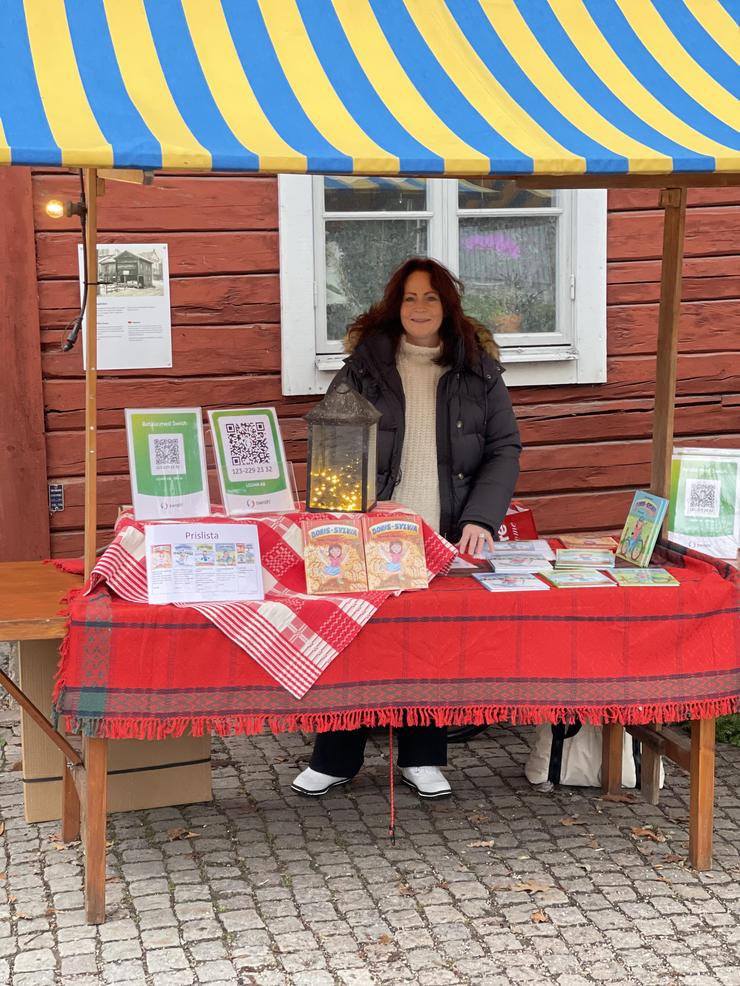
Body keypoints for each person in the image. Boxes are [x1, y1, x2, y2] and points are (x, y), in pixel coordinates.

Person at [292, 257, 521, 799]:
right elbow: (333, 442)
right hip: (370, 528)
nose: (420, 308)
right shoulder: (364, 367)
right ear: (396, 306)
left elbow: (503, 447)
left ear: (448, 306)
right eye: (410, 297)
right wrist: (338, 517)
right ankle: (335, 758)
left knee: (429, 644)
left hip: (442, 528)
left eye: (431, 297)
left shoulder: (479, 371)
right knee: (352, 638)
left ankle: (422, 757)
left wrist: (480, 518)